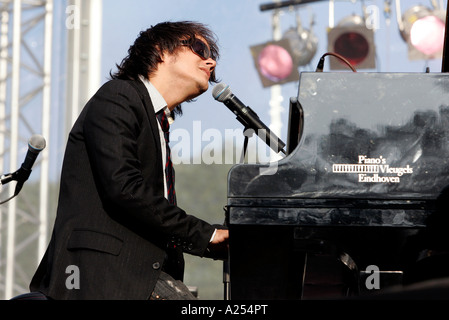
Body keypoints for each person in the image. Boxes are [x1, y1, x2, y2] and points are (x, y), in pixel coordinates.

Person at [29, 21, 229, 300]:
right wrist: (207, 235)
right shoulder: (120, 95)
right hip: (102, 274)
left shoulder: (157, 121)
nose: (210, 61)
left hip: (140, 275)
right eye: (199, 48)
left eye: (213, 58)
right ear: (160, 51)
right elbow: (124, 187)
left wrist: (218, 240)